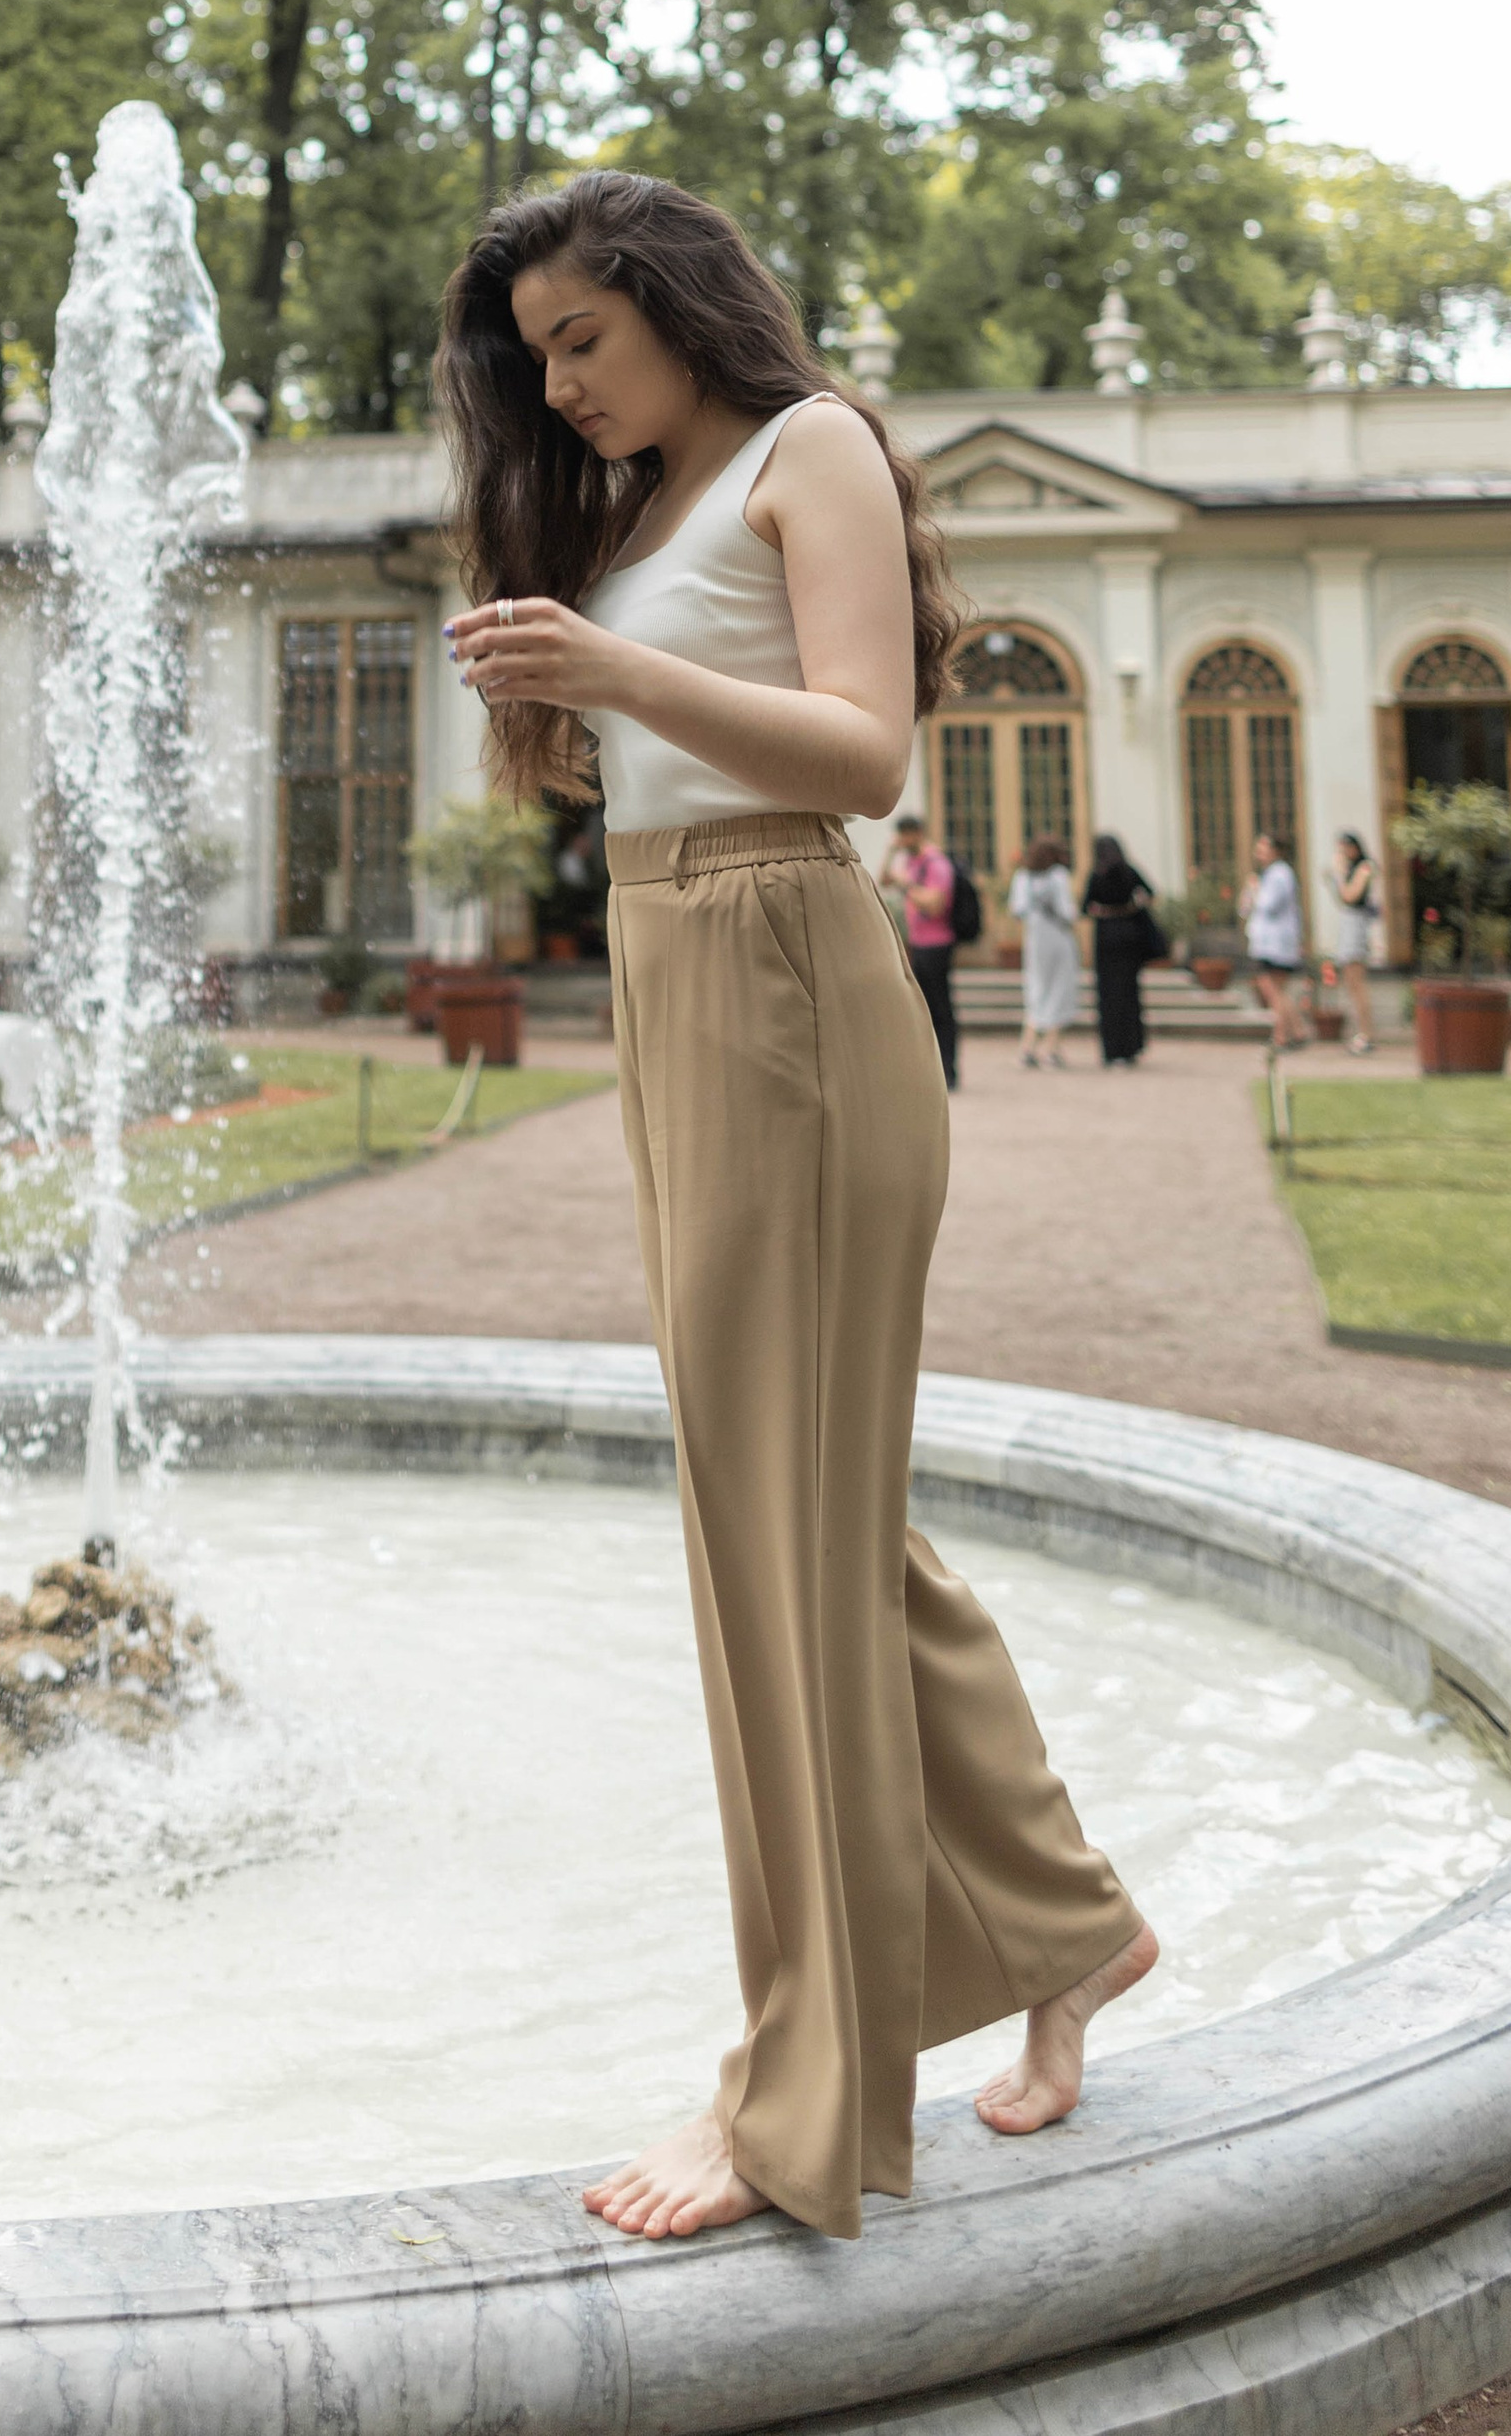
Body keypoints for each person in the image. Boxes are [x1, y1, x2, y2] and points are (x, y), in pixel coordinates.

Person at [437, 169, 1156, 2247]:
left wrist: (615, 668)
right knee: (815, 1516)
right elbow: (639, 774)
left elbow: (856, 752)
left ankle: (795, 2100)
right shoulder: (640, 507)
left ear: (675, 300)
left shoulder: (806, 446)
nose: (558, 382)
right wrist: (554, 674)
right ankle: (1062, 1921)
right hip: (669, 976)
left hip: (786, 973)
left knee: (776, 1536)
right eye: (534, 354)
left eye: (583, 335)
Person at [883, 809, 960, 1088]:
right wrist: (891, 853)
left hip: (937, 944)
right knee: (922, 1009)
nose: (901, 840)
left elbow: (935, 904)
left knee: (940, 1009)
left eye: (904, 835)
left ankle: (949, 1072)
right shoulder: (912, 861)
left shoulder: (935, 863)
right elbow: (883, 879)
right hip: (917, 943)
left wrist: (907, 884)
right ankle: (931, 1071)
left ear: (916, 833)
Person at [1082, 832, 1156, 1067]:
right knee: (1129, 992)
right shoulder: (1129, 871)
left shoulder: (1096, 875)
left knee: (1108, 994)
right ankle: (1132, 1046)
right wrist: (1131, 907)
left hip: (1106, 936)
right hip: (1129, 933)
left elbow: (1085, 907)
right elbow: (1150, 894)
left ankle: (1112, 1050)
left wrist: (1103, 910)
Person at [1007, 833, 1081, 1069]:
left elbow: (1017, 909)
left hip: (1035, 938)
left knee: (1036, 987)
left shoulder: (1023, 877)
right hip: (1058, 938)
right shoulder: (1058, 876)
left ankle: (1027, 1047)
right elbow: (1066, 912)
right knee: (1059, 987)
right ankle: (1050, 1047)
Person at [1241, 829, 1307, 1047]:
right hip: (1267, 943)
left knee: (1273, 990)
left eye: (1263, 848)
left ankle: (1281, 1036)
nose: (1258, 853)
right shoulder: (1269, 874)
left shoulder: (1280, 874)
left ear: (1276, 851)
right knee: (1276, 990)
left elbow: (1268, 906)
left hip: (1276, 944)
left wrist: (1256, 889)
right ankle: (1296, 1032)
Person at [1328, 833, 1381, 1053]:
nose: (1342, 855)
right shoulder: (1351, 869)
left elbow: (1351, 896)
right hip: (1348, 922)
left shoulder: (1365, 867)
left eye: (1344, 849)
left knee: (1358, 983)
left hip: (1357, 925)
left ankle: (1366, 1034)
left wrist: (1339, 875)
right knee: (1350, 982)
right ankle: (1360, 1032)